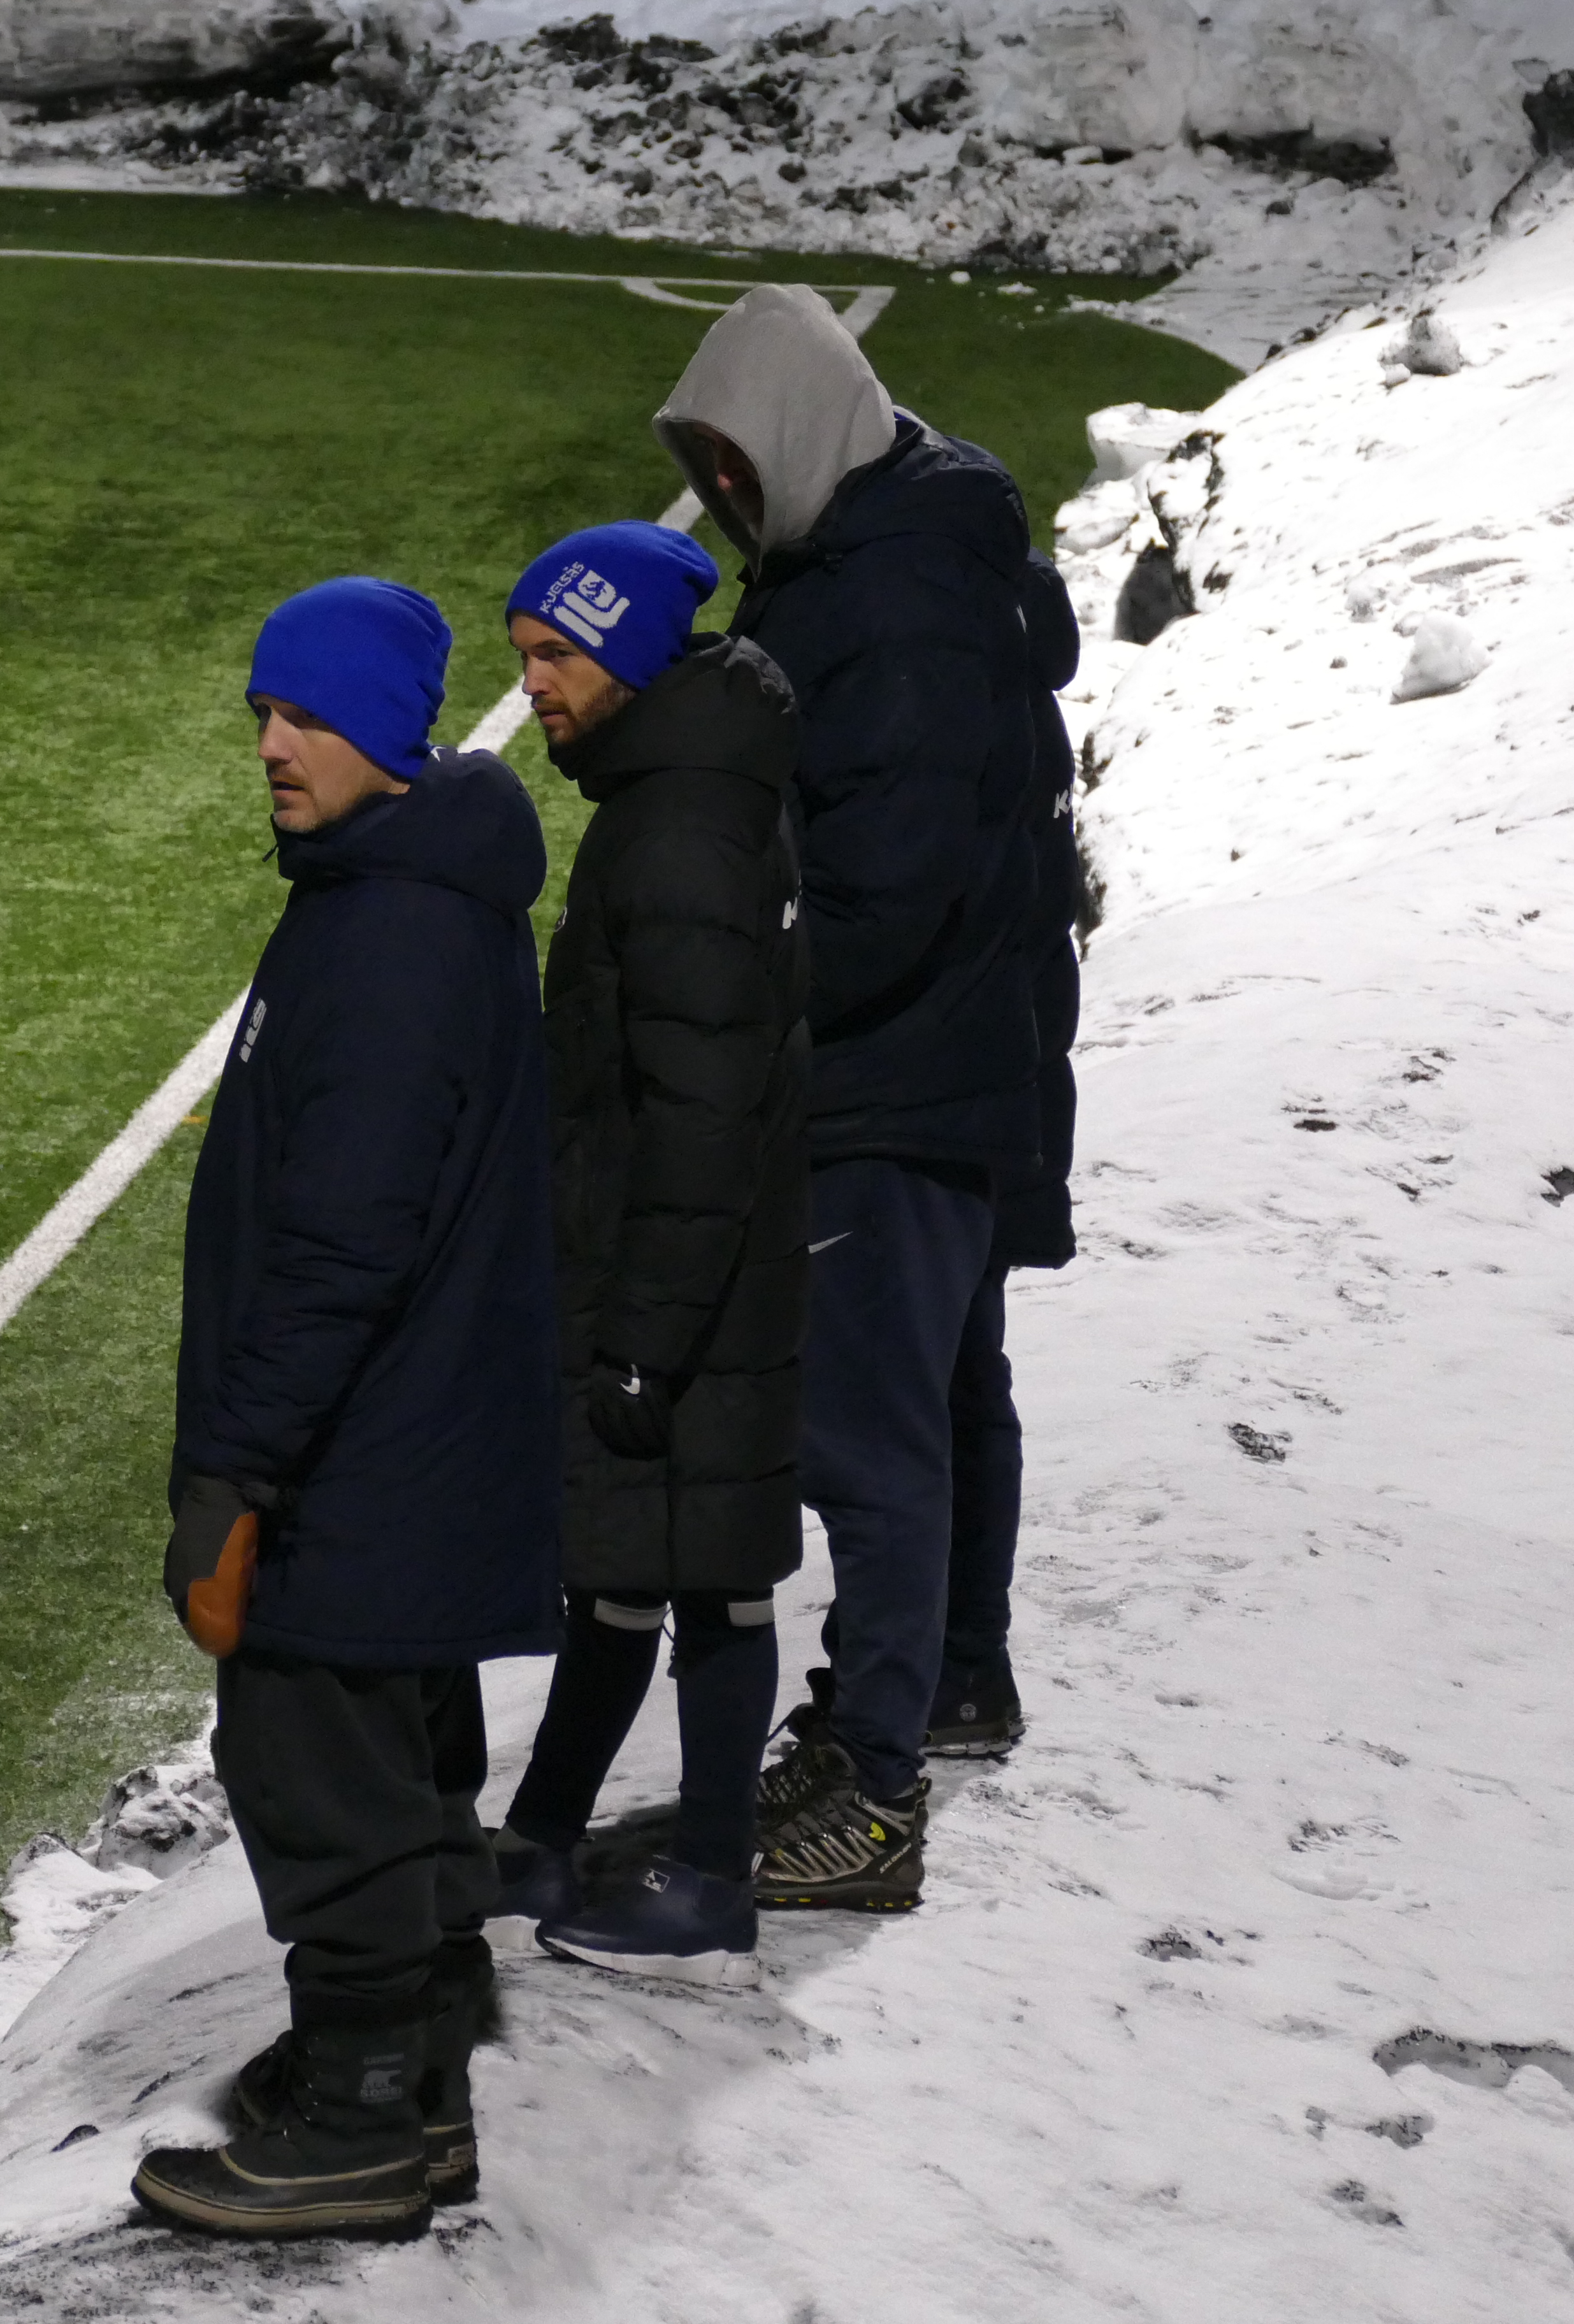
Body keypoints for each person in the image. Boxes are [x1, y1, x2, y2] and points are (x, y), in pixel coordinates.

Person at [133, 578, 558, 2242]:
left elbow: (339, 1246)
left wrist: (234, 1470)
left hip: (359, 1453)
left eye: (304, 717)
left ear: (388, 734)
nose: (270, 746)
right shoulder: (401, 892)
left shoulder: (386, 937)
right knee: (404, 1759)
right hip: (408, 1441)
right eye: (261, 712)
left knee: (320, 1768)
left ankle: (368, 2120)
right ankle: (411, 2084)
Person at [652, 285, 1084, 1914]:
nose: (729, 501)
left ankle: (873, 1783)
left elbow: (879, 886)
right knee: (954, 1388)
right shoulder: (922, 549)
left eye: (738, 466)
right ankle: (951, 1682)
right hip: (977, 1053)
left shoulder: (891, 604)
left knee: (873, 1436)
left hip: (895, 1073)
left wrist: (736, 978)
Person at [482, 520, 809, 1988]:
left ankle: (712, 1878)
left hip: (688, 1291)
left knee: (711, 1575)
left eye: (557, 657)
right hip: (661, 1275)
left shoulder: (675, 831)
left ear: (620, 657)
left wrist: (643, 1337)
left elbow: (703, 1108)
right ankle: (547, 1831)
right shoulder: (672, 797)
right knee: (626, 1559)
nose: (535, 687)